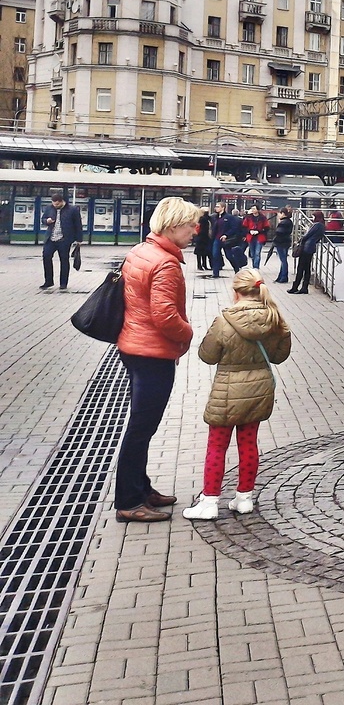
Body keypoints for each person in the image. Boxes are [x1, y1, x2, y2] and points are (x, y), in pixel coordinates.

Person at [114, 197, 202, 523]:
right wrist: (187, 334)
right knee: (141, 428)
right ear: (172, 226)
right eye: (189, 225)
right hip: (152, 353)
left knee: (142, 425)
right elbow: (165, 316)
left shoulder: (141, 251)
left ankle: (141, 488)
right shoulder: (165, 264)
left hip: (133, 347)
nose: (194, 230)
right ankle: (128, 501)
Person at [181, 268, 292, 520]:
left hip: (227, 391)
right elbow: (279, 356)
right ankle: (244, 499)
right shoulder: (275, 319)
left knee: (217, 446)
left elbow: (207, 356)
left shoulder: (225, 321)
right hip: (259, 389)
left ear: (236, 292)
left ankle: (209, 502)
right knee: (249, 443)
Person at [40, 191, 83, 292]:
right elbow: (43, 219)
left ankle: (63, 283)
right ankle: (48, 281)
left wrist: (79, 239)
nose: (55, 206)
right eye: (54, 204)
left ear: (62, 201)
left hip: (64, 239)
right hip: (51, 238)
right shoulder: (49, 208)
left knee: (64, 260)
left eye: (57, 204)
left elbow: (78, 224)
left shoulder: (73, 210)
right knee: (46, 256)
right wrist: (47, 221)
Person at [288, 211, 327, 295]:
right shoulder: (322, 226)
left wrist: (299, 241)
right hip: (311, 248)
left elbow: (307, 235)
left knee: (300, 268)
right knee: (307, 268)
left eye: (313, 216)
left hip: (306, 247)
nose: (312, 218)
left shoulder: (317, 225)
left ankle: (295, 287)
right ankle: (304, 287)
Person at [210, 202, 242, 279]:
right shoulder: (215, 217)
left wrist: (226, 235)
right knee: (215, 255)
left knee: (229, 256)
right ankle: (215, 273)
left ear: (223, 208)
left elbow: (234, 228)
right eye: (216, 206)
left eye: (218, 206)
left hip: (226, 240)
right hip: (217, 239)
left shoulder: (229, 217)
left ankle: (236, 269)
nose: (216, 208)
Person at [272, 207, 293, 285]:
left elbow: (279, 232)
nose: (278, 215)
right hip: (286, 242)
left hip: (281, 242)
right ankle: (281, 276)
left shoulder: (283, 222)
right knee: (283, 260)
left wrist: (279, 223)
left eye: (279, 213)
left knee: (283, 260)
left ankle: (284, 277)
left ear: (283, 213)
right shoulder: (289, 221)